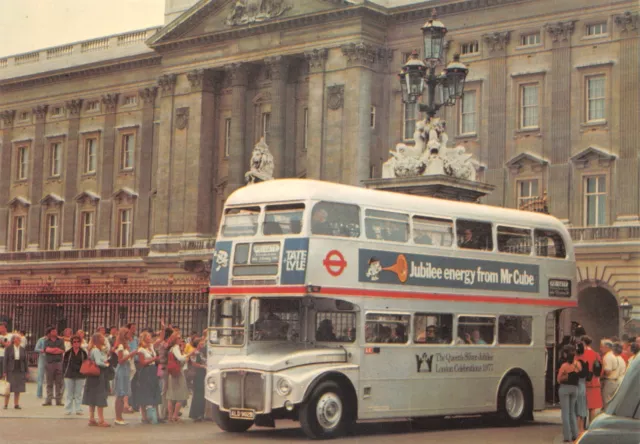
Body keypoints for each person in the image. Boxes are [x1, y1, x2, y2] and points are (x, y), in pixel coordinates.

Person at [166, 332, 196, 423]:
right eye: (179, 338)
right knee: (181, 395)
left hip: (172, 373)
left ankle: (170, 416)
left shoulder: (171, 348)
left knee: (171, 395)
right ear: (175, 339)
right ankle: (175, 415)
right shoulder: (175, 348)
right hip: (178, 373)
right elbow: (180, 358)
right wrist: (188, 354)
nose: (180, 339)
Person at [82, 333, 110, 427]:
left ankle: (92, 418)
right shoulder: (96, 350)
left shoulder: (92, 349)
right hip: (98, 375)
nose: (104, 339)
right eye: (102, 337)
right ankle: (101, 420)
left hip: (92, 377)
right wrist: (106, 364)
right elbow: (98, 362)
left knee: (92, 397)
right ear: (98, 339)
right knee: (100, 396)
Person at [133, 332, 161, 424]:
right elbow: (142, 363)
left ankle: (156, 415)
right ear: (144, 338)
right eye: (148, 336)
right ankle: (144, 416)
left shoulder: (151, 346)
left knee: (154, 391)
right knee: (145, 392)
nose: (150, 337)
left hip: (153, 370)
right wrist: (154, 359)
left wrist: (163, 329)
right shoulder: (141, 350)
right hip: (146, 370)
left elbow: (160, 339)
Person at [557, 344, 581, 443]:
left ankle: (567, 436)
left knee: (565, 413)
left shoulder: (564, 366)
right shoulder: (578, 365)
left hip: (564, 389)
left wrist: (565, 377)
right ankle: (575, 434)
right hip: (575, 389)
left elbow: (558, 380)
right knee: (572, 412)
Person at [113, 328, 135, 425]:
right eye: (127, 333)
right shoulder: (121, 346)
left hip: (126, 368)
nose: (129, 334)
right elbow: (120, 360)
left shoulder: (126, 345)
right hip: (122, 369)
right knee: (120, 394)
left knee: (124, 393)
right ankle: (118, 417)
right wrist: (131, 354)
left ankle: (120, 416)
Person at [62, 335, 88, 416]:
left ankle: (78, 409)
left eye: (78, 342)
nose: (76, 343)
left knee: (78, 393)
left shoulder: (83, 352)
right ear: (71, 343)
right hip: (69, 374)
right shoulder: (68, 353)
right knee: (69, 393)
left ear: (80, 343)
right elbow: (64, 364)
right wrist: (64, 373)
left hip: (80, 374)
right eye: (74, 342)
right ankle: (68, 409)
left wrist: (85, 372)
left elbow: (86, 363)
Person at [580, 335, 603, 423]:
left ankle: (581, 427)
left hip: (584, 382)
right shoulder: (596, 354)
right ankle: (591, 425)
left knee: (582, 407)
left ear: (583, 343)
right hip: (594, 383)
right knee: (592, 408)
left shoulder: (582, 354)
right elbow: (600, 369)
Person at [3, 334, 27, 410]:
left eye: (20, 339)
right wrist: (4, 371)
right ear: (14, 340)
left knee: (18, 388)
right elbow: (5, 360)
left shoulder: (22, 349)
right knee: (9, 388)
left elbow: (25, 361)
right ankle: (6, 404)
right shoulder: (8, 348)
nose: (19, 340)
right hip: (11, 369)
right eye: (18, 339)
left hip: (20, 369)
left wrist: (26, 371)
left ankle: (16, 404)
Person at [43, 327, 65, 406]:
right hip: (49, 363)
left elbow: (62, 350)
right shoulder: (46, 341)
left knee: (59, 382)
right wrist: (55, 349)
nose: (55, 332)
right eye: (53, 331)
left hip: (58, 363)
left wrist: (53, 350)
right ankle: (48, 400)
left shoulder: (61, 341)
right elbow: (47, 350)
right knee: (49, 382)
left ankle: (58, 400)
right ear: (50, 332)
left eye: (55, 331)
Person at [188, 339, 207, 422]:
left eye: (203, 344)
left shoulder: (203, 353)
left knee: (202, 393)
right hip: (198, 374)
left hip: (203, 373)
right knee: (198, 394)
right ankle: (196, 414)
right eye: (201, 344)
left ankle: (201, 413)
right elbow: (193, 363)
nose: (203, 346)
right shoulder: (194, 352)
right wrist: (202, 366)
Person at [600, 339, 621, 408]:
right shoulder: (614, 355)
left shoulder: (607, 357)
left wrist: (601, 377)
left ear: (607, 347)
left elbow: (608, 372)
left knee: (607, 402)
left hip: (609, 382)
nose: (600, 349)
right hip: (615, 382)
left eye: (602, 347)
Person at [574, 342, 589, 436]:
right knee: (583, 407)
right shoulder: (585, 362)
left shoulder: (575, 362)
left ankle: (577, 429)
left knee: (577, 408)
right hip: (583, 386)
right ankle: (582, 428)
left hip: (577, 385)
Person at [34, 333, 48, 399]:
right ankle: (39, 393)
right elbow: (36, 348)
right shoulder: (41, 339)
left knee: (50, 378)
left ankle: (49, 394)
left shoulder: (54, 340)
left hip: (50, 359)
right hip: (42, 358)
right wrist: (42, 350)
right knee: (40, 376)